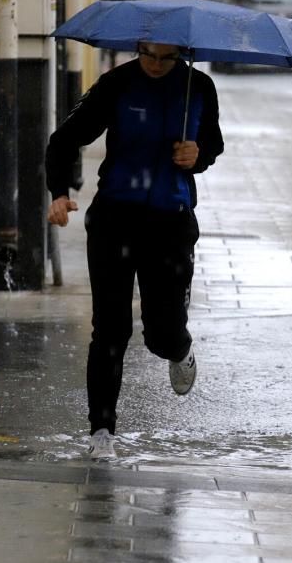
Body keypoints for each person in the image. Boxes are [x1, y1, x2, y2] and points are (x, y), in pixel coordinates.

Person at [45, 42, 224, 460]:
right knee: (110, 328)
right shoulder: (116, 84)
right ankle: (101, 430)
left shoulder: (199, 87)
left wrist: (196, 156)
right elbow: (63, 140)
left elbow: (213, 145)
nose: (156, 65)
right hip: (115, 218)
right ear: (138, 49)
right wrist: (58, 193)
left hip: (171, 220)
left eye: (166, 58)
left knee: (161, 332)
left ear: (180, 54)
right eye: (148, 56)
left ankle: (180, 349)